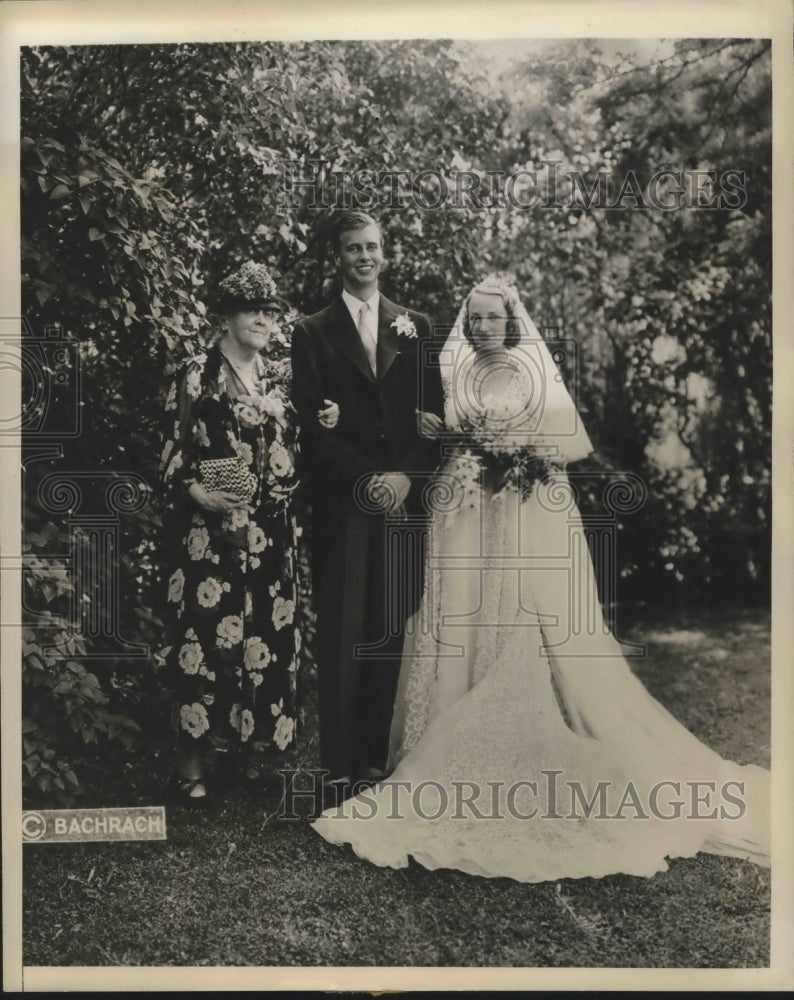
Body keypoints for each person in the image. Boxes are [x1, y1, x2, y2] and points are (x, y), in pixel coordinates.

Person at [310, 274, 770, 881]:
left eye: (492, 318)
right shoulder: (450, 370)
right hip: (458, 508)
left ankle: (505, 734)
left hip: (514, 511)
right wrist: (434, 433)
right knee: (455, 612)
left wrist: (512, 456)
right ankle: (432, 736)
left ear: (512, 320)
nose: (481, 328)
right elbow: (432, 430)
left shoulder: (529, 373)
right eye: (473, 318)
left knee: (508, 613)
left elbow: (554, 448)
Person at [160, 261, 337, 805]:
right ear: (226, 316)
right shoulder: (196, 373)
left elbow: (307, 442)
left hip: (272, 531)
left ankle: (251, 753)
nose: (263, 319)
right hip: (208, 535)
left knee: (267, 637)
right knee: (203, 638)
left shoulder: (283, 377)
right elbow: (170, 452)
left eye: (269, 311)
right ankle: (192, 762)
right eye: (252, 310)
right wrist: (196, 493)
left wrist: (328, 420)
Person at [290, 211, 443, 801]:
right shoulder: (312, 330)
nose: (365, 257)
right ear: (337, 257)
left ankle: (374, 760)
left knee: (389, 626)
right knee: (342, 629)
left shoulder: (416, 326)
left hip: (404, 505)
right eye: (353, 248)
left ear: (386, 253)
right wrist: (368, 479)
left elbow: (434, 419)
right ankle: (338, 765)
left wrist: (405, 478)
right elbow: (310, 424)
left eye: (373, 247)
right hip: (343, 503)